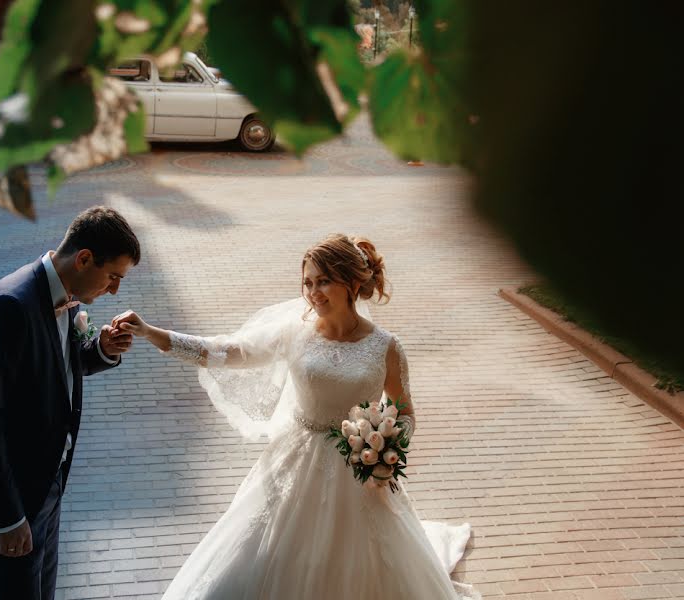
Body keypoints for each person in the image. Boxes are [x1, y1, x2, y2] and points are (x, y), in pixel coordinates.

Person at [113, 234, 479, 599]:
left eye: (323, 281)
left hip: (360, 470)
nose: (313, 292)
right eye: (308, 282)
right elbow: (225, 350)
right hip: (295, 460)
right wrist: (150, 332)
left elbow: (403, 409)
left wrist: (391, 447)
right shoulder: (294, 333)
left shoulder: (386, 346)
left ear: (352, 283)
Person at [0, 206, 140, 600]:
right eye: (113, 277)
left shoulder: (69, 296)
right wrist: (8, 518)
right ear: (84, 258)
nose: (114, 290)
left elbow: (57, 369)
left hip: (46, 484)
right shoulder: (7, 308)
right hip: (10, 497)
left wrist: (102, 349)